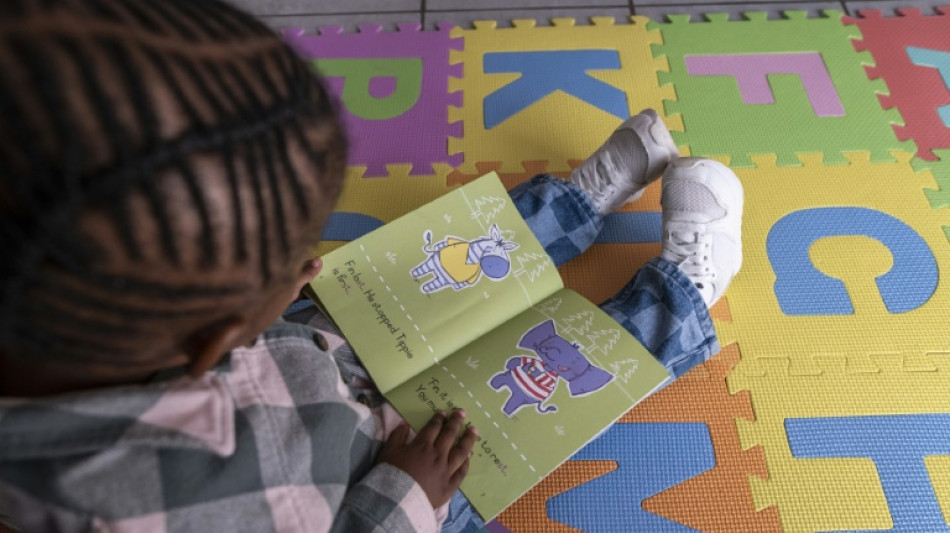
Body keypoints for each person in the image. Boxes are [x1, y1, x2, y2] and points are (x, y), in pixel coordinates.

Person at [0, 1, 742, 532]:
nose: (312, 261)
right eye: (292, 260)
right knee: (544, 399)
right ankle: (683, 298)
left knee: (431, 266)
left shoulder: (73, 323)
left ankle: (570, 208)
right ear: (207, 341)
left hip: (297, 358)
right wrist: (402, 496)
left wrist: (270, 302)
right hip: (371, 479)